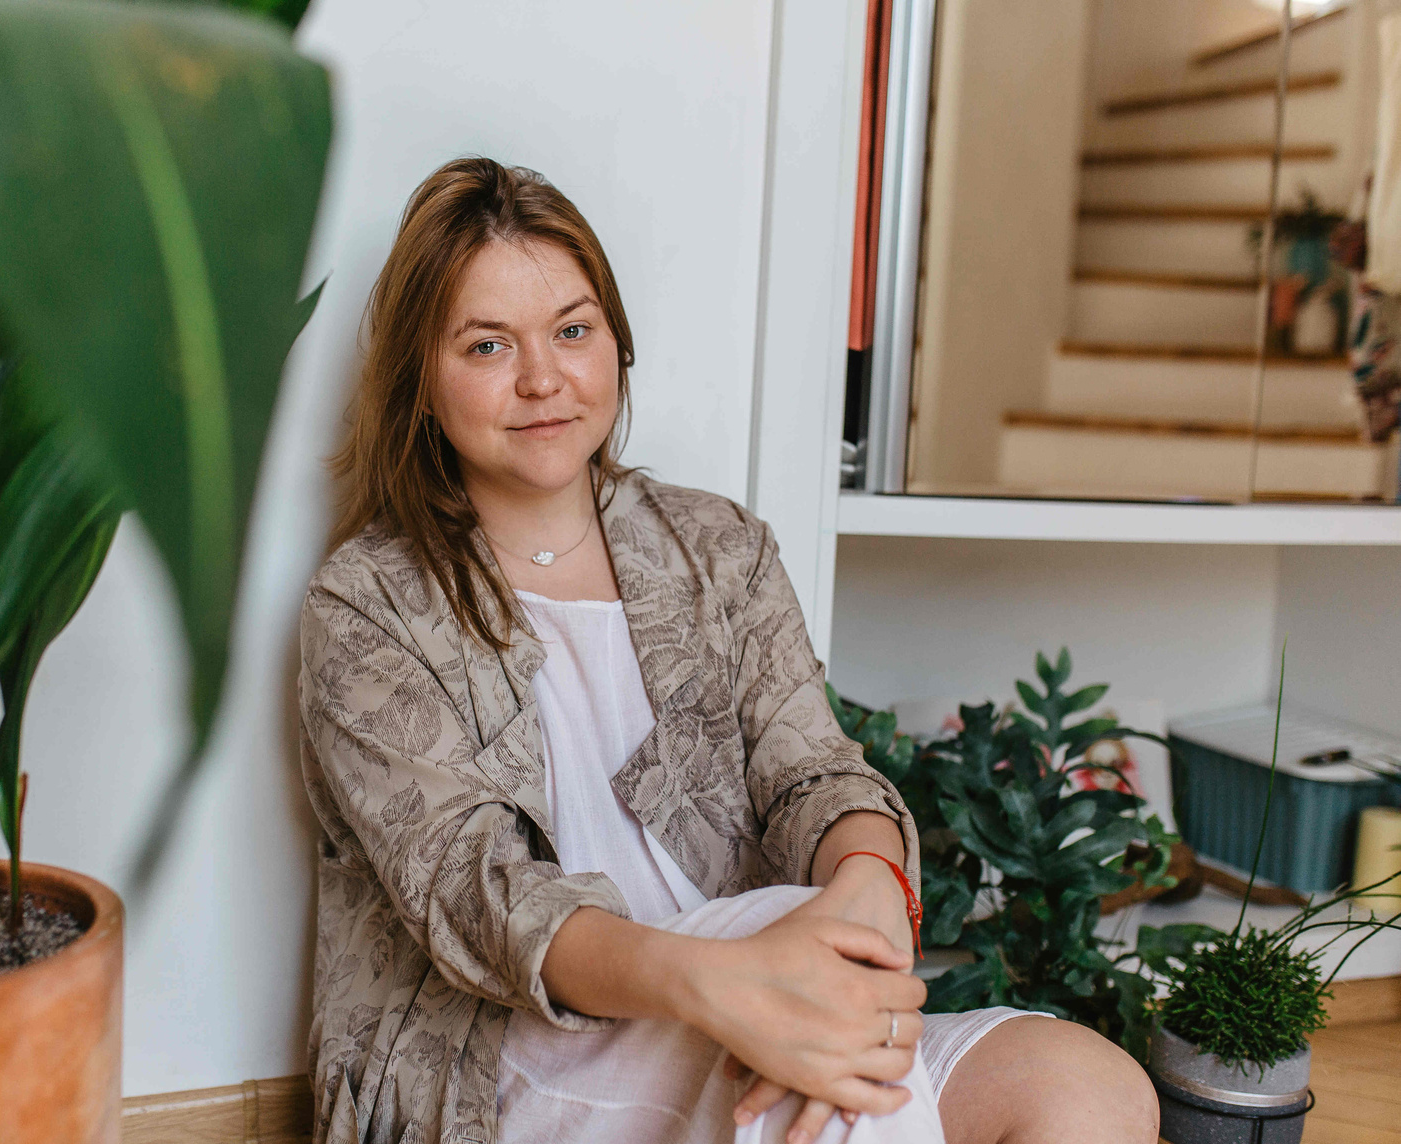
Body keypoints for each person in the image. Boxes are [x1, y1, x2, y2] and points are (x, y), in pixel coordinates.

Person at [298, 157, 1158, 1144]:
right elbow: (480, 899)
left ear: (616, 346)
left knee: (1093, 1093)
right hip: (518, 1057)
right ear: (419, 381)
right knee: (827, 1080)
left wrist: (866, 888)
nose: (543, 378)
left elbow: (814, 772)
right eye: (489, 345)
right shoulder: (367, 605)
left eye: (573, 331)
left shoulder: (718, 548)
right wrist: (730, 985)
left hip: (776, 993)